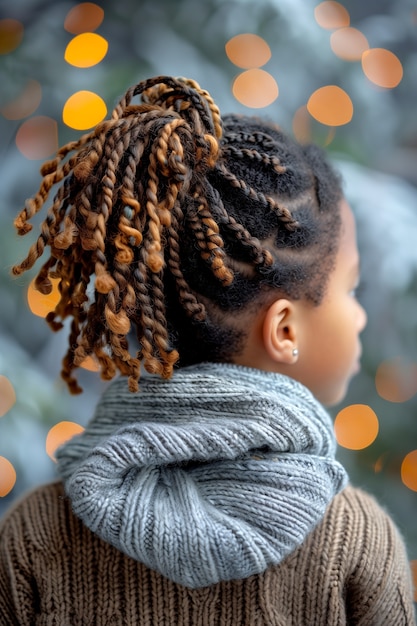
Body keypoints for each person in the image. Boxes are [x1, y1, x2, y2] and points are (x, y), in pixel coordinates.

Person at [0, 75, 415, 625]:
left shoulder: (35, 532)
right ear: (285, 330)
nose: (359, 314)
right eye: (351, 289)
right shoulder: (355, 541)